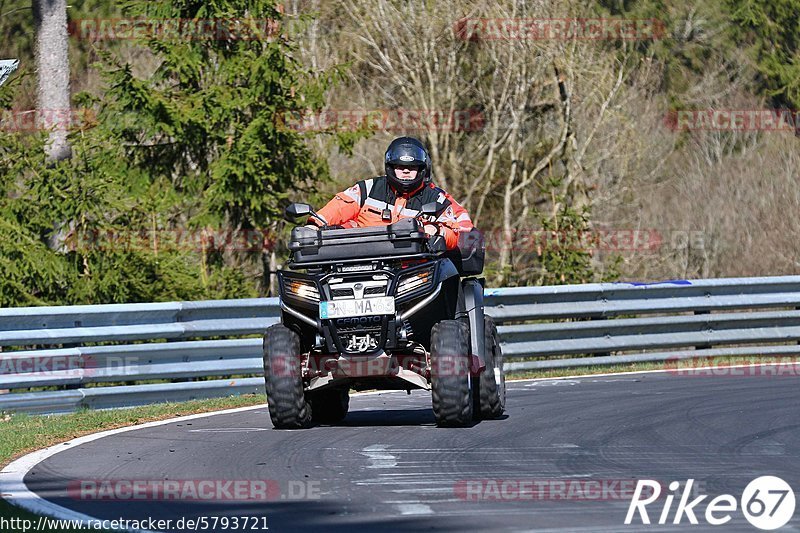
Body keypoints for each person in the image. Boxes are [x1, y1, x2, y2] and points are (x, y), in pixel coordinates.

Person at [307, 137, 472, 250]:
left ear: (421, 169)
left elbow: (454, 233)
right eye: (400, 167)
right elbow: (340, 206)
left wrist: (436, 230)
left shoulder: (436, 198)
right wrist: (314, 225)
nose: (406, 171)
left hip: (414, 268)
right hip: (363, 262)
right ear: (391, 167)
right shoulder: (368, 188)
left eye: (412, 167)